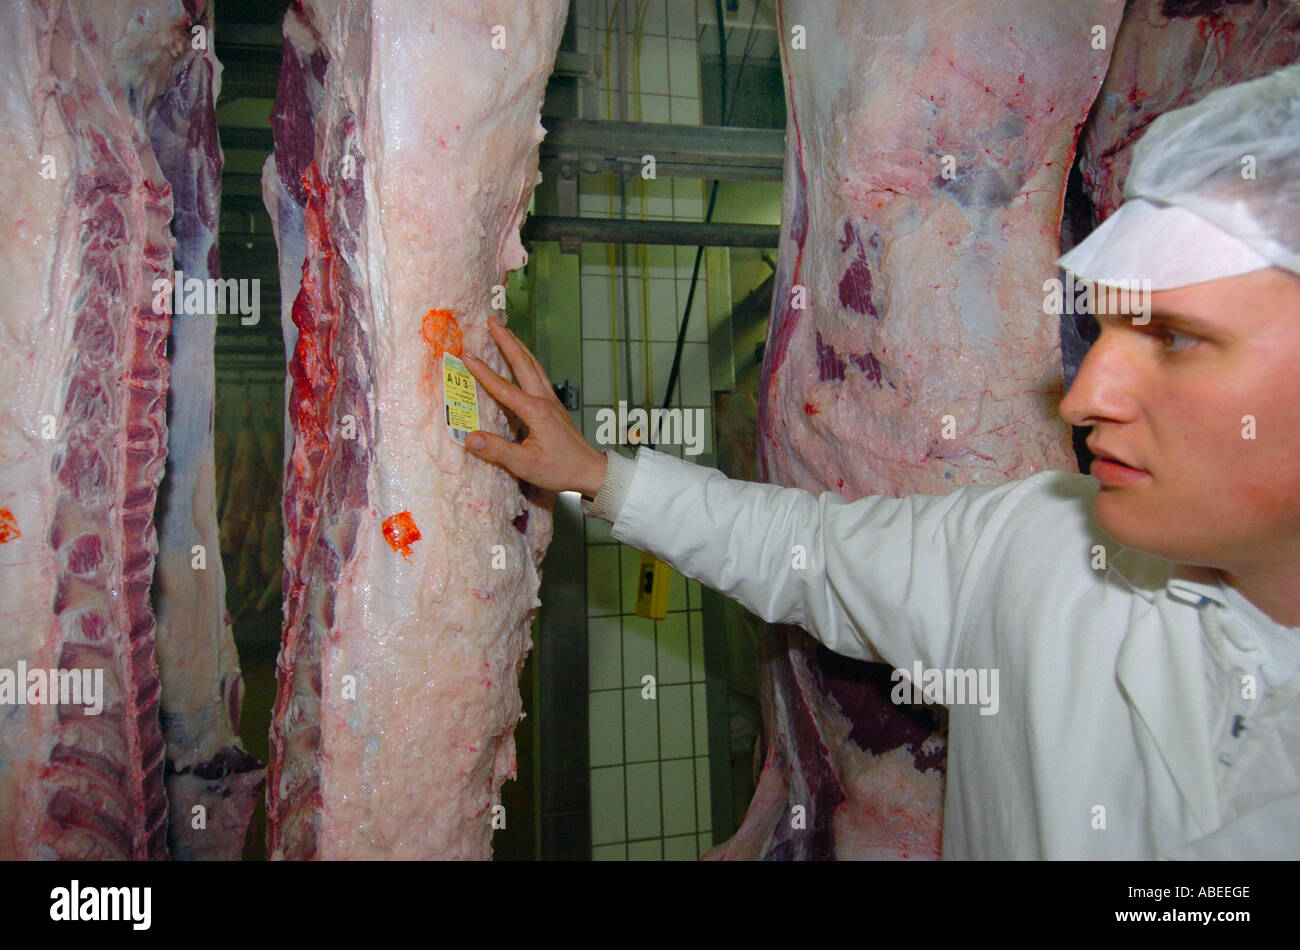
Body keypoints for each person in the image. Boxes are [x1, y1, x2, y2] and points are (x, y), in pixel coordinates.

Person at [461, 63, 1300, 859]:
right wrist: (599, 475)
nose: (1083, 399)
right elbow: (807, 554)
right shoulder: (1044, 545)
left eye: (1180, 340)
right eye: (1112, 328)